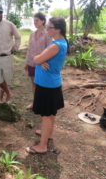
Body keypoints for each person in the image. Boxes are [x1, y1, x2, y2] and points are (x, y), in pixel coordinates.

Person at [25, 17, 68, 154]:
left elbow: (36, 58)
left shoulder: (56, 45)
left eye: (50, 27)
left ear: (58, 29)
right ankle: (47, 134)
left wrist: (39, 59)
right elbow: (40, 58)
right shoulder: (60, 42)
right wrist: (41, 59)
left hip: (47, 84)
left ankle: (42, 146)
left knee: (46, 115)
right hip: (51, 83)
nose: (47, 29)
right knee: (51, 113)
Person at [25, 13, 51, 109]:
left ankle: (43, 104)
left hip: (42, 64)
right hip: (31, 63)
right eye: (34, 20)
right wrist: (26, 62)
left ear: (43, 21)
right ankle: (35, 103)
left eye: (37, 20)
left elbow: (50, 50)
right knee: (34, 84)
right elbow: (29, 49)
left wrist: (44, 61)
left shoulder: (47, 34)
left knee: (42, 85)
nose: (35, 22)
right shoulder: (32, 34)